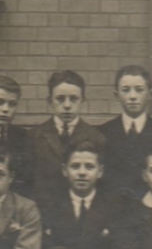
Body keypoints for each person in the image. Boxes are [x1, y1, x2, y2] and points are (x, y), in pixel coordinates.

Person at [38, 141, 134, 249]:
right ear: (64, 170)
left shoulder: (117, 205)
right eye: (75, 166)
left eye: (89, 167)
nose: (82, 172)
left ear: (100, 171)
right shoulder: (50, 204)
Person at [30, 70, 106, 207]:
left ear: (82, 101)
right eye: (60, 99)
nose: (67, 105)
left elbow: (100, 186)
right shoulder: (34, 136)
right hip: (44, 211)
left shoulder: (96, 137)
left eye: (73, 99)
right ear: (50, 102)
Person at [99, 65, 152, 200]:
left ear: (150, 94)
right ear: (116, 95)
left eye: (139, 90)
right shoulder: (103, 132)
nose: (132, 96)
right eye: (126, 90)